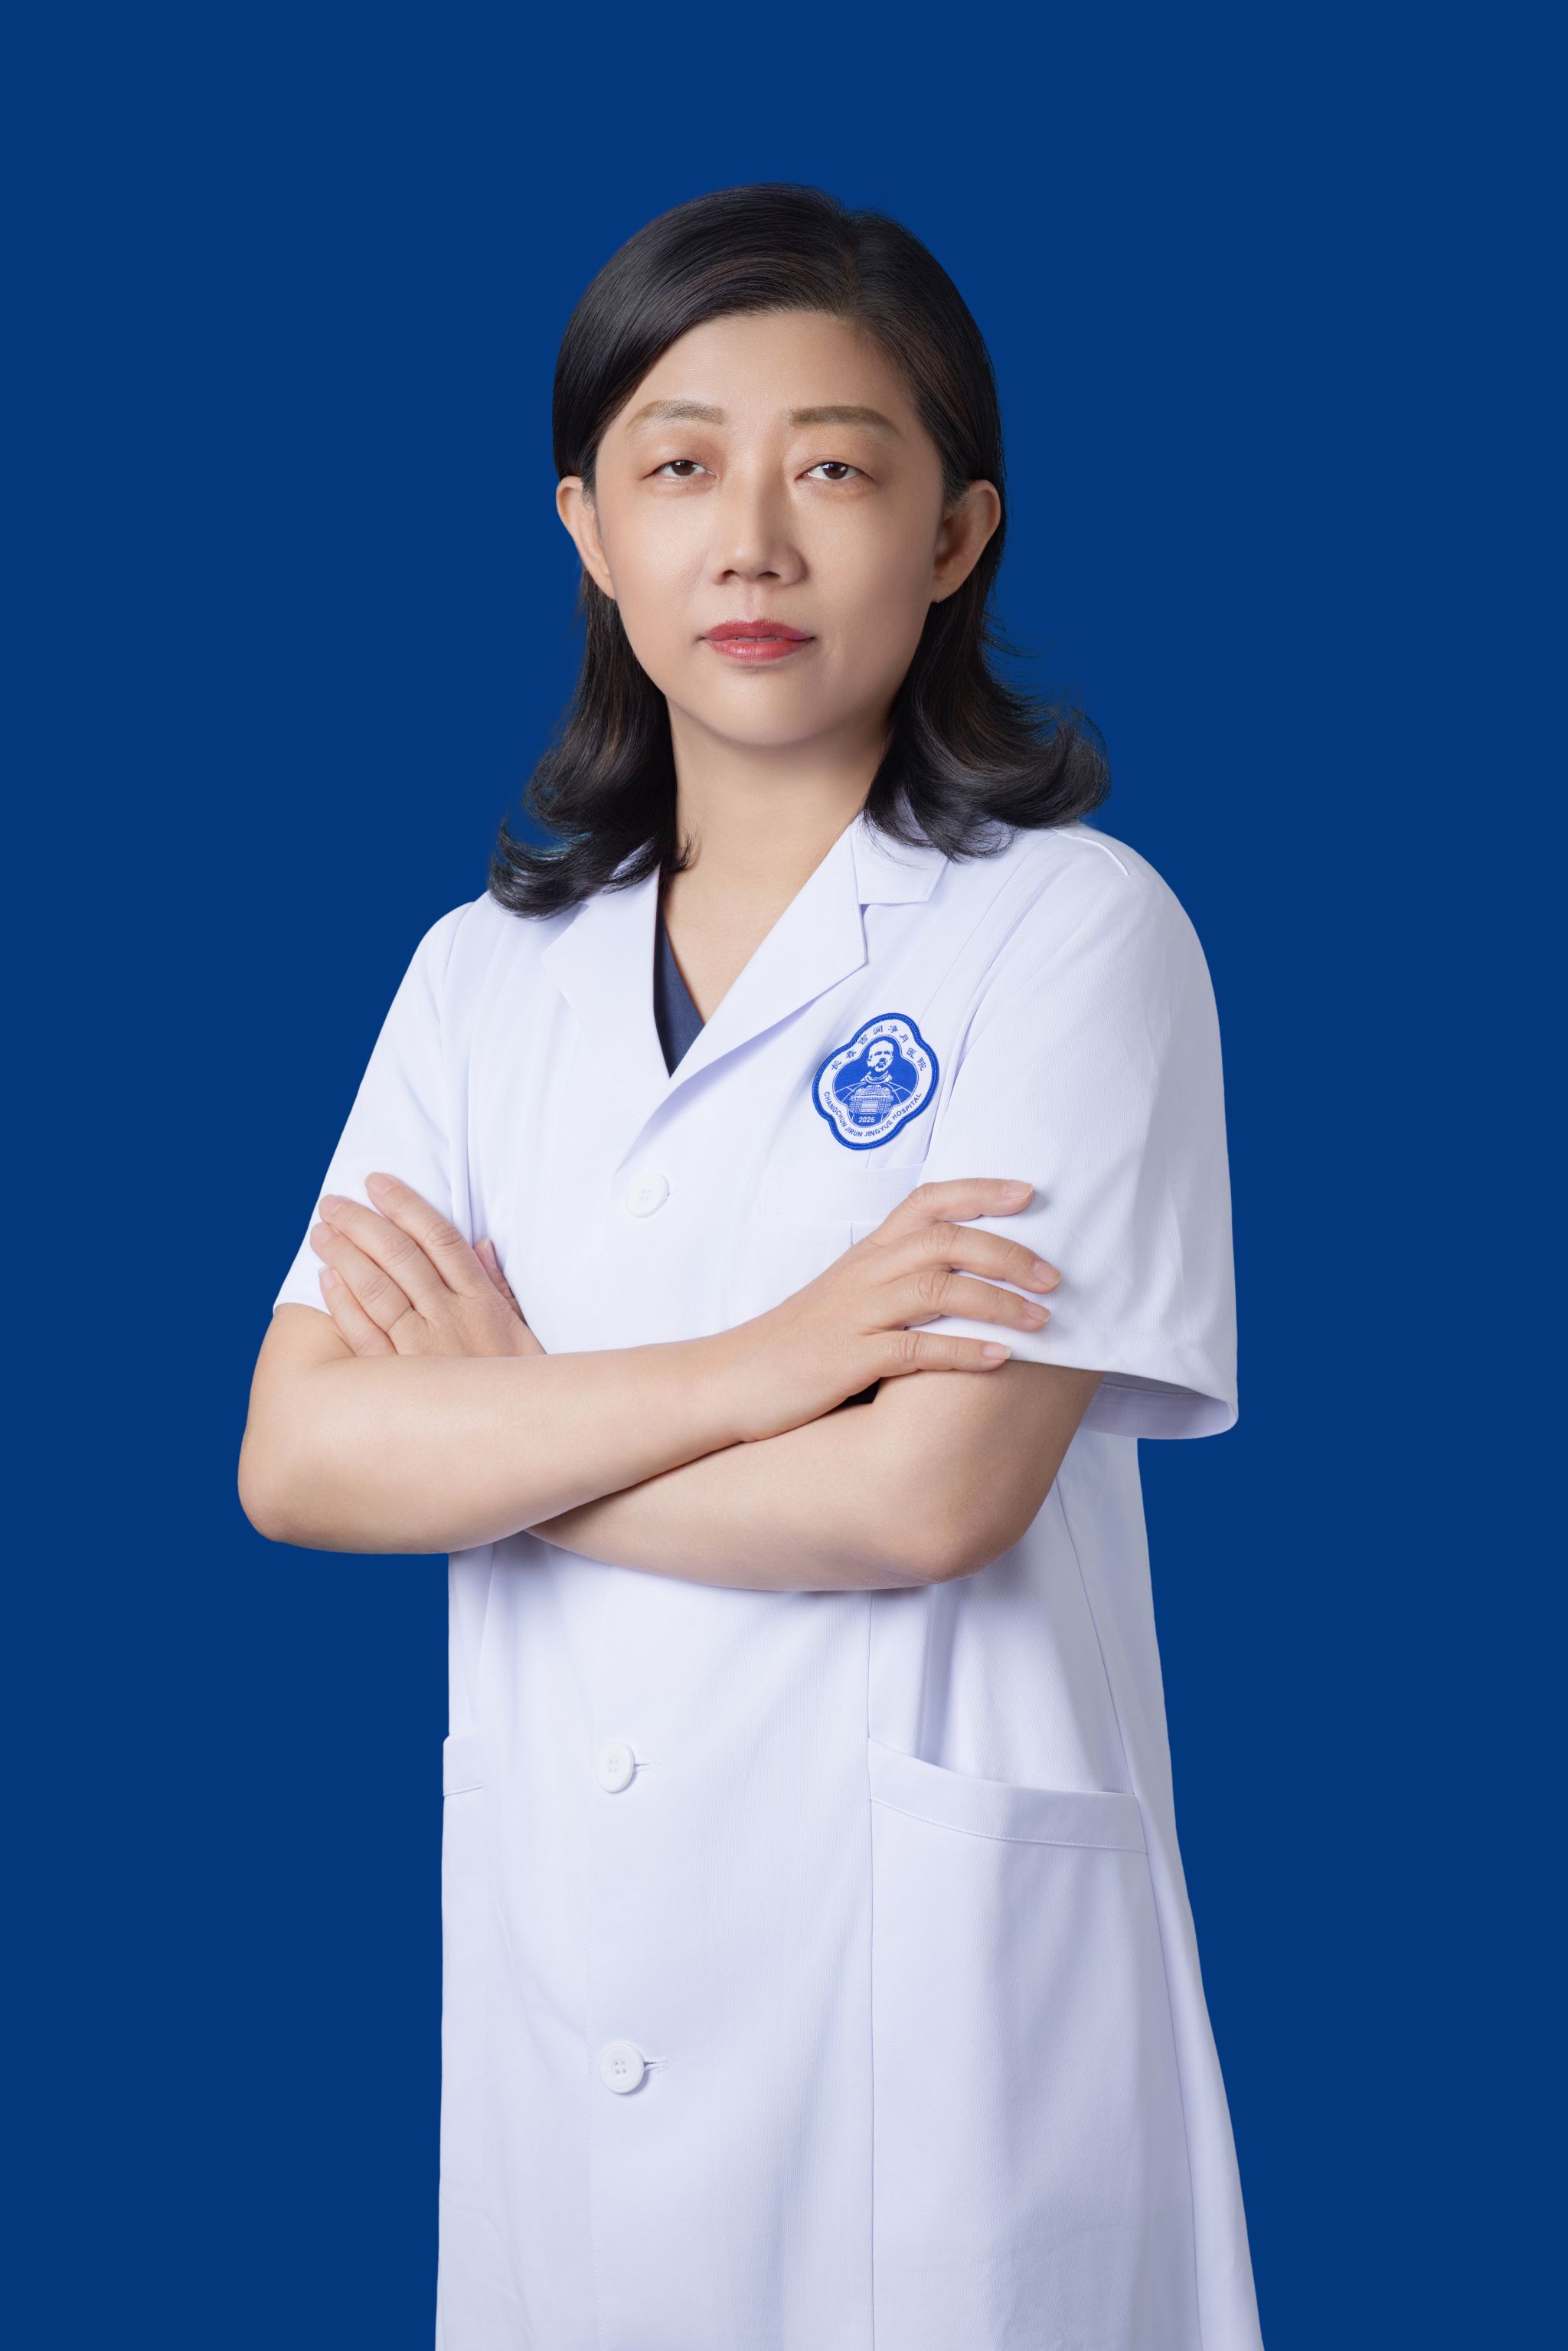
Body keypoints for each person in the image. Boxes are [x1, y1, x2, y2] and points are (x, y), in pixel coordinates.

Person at [239, 184, 1263, 2351]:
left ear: (957, 534)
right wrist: (774, 1360)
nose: (755, 545)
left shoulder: (1072, 935)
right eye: (683, 466)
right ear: (591, 531)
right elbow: (300, 1462)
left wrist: (500, 1435)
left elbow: (928, 1497)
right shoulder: (481, 977)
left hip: (925, 2021)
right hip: (570, 1978)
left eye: (838, 470)